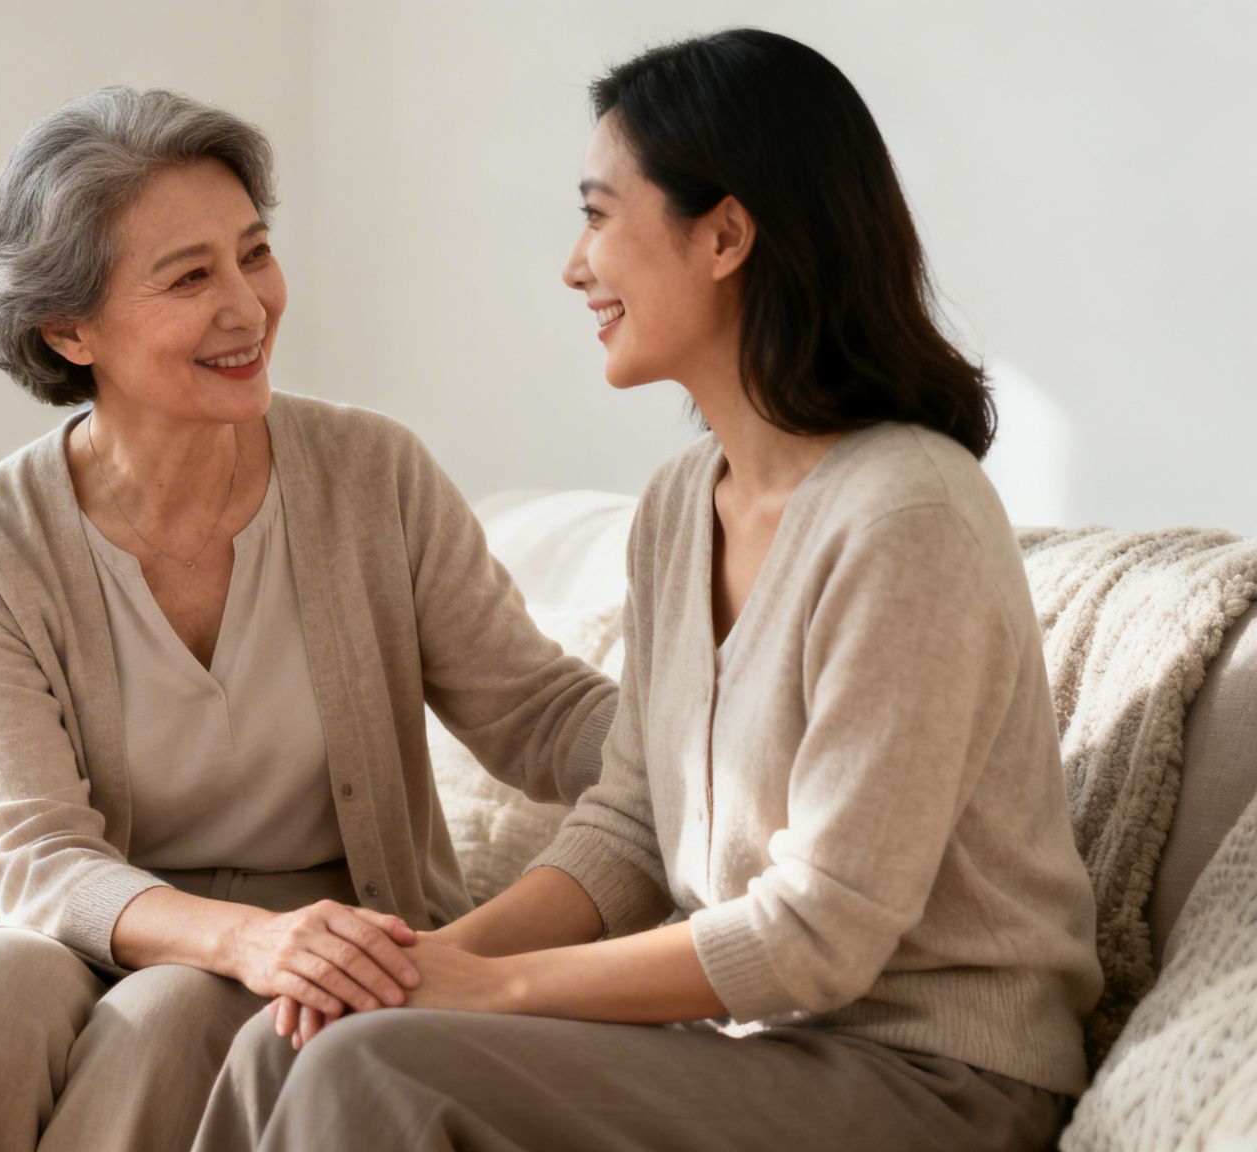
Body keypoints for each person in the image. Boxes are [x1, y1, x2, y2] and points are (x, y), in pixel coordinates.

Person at [194, 29, 1102, 1152]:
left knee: (368, 1069)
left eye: (594, 215)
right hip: (764, 1055)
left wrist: (486, 992)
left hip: (937, 1080)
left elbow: (818, 935)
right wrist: (425, 962)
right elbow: (628, 830)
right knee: (287, 1040)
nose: (573, 268)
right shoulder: (679, 507)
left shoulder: (905, 516)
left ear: (723, 233)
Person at [0, 87, 618, 1152]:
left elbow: (533, 711)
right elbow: (33, 855)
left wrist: (709, 742)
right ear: (68, 328)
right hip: (70, 912)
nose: (247, 307)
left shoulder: (371, 473)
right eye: (189, 277)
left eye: (252, 254)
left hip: (331, 925)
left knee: (166, 1017)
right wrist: (242, 939)